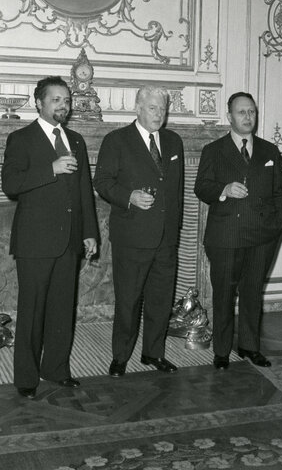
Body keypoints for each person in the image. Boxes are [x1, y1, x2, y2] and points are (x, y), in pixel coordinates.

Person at [2, 76, 98, 399]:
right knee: (33, 311)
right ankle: (26, 378)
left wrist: (89, 233)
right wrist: (51, 169)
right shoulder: (21, 139)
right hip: (34, 241)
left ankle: (56, 369)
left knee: (62, 308)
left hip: (70, 241)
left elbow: (84, 189)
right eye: (56, 99)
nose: (63, 105)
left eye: (66, 99)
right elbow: (10, 185)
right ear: (39, 103)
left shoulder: (77, 140)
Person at [195, 92, 282, 369]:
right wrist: (223, 190)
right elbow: (201, 187)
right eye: (241, 112)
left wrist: (276, 226)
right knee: (224, 294)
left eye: (251, 112)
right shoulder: (213, 150)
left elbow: (281, 194)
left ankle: (250, 346)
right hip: (226, 235)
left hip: (262, 236)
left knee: (253, 293)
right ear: (229, 116)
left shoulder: (269, 151)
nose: (248, 117)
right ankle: (222, 351)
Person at [94, 85, 184, 377]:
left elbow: (177, 191)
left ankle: (153, 353)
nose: (159, 114)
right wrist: (129, 197)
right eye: (153, 108)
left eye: (163, 109)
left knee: (161, 301)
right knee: (128, 301)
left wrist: (175, 230)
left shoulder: (173, 142)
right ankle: (120, 356)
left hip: (166, 238)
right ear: (138, 108)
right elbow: (102, 182)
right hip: (132, 237)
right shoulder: (116, 140)